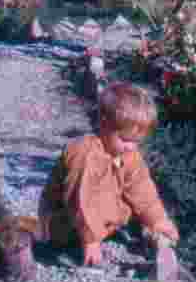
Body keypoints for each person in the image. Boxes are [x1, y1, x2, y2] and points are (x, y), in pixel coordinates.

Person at [39, 82, 180, 267]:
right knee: (81, 219)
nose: (131, 147)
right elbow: (80, 198)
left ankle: (142, 231)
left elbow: (142, 189)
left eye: (137, 142)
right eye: (125, 139)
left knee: (136, 200)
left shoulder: (128, 153)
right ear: (104, 124)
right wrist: (90, 241)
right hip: (66, 221)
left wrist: (158, 220)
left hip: (99, 212)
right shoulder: (84, 152)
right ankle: (77, 242)